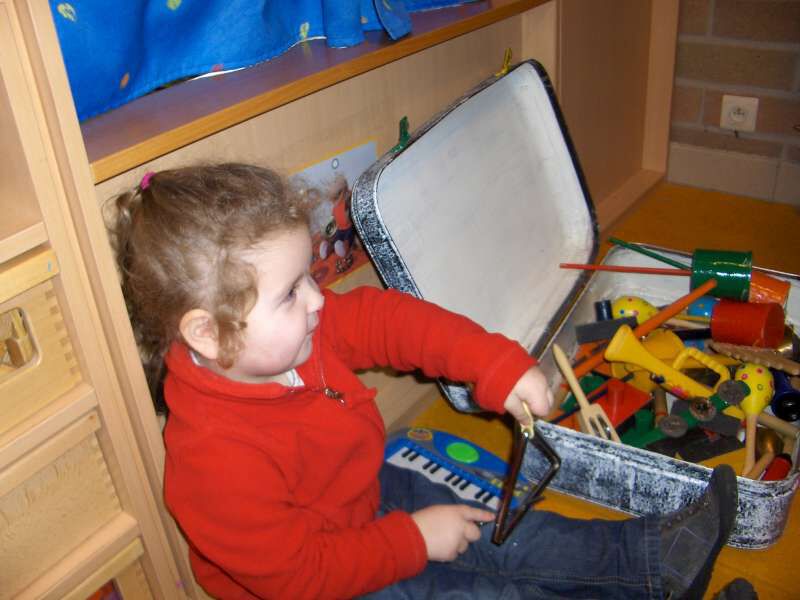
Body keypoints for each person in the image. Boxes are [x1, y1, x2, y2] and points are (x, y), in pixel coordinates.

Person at [111, 163, 739, 600]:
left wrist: (494, 366)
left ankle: (649, 562)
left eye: (309, 278)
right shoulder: (212, 461)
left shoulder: (291, 336)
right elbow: (300, 576)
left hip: (363, 497)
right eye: (291, 293)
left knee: (502, 528)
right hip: (320, 584)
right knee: (479, 592)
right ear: (208, 334)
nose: (318, 300)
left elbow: (393, 323)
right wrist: (412, 541)